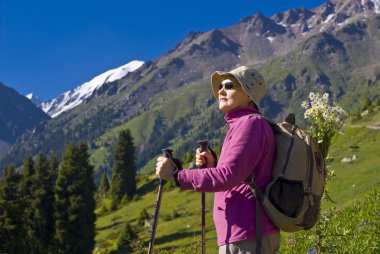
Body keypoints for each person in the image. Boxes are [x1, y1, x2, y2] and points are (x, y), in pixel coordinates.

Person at [156, 66, 280, 254]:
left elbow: (226, 176)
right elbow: (239, 174)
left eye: (229, 85)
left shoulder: (249, 124)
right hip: (246, 232)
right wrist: (214, 164)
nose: (221, 90)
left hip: (247, 233)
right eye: (220, 86)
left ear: (248, 93)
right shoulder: (245, 124)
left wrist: (176, 176)